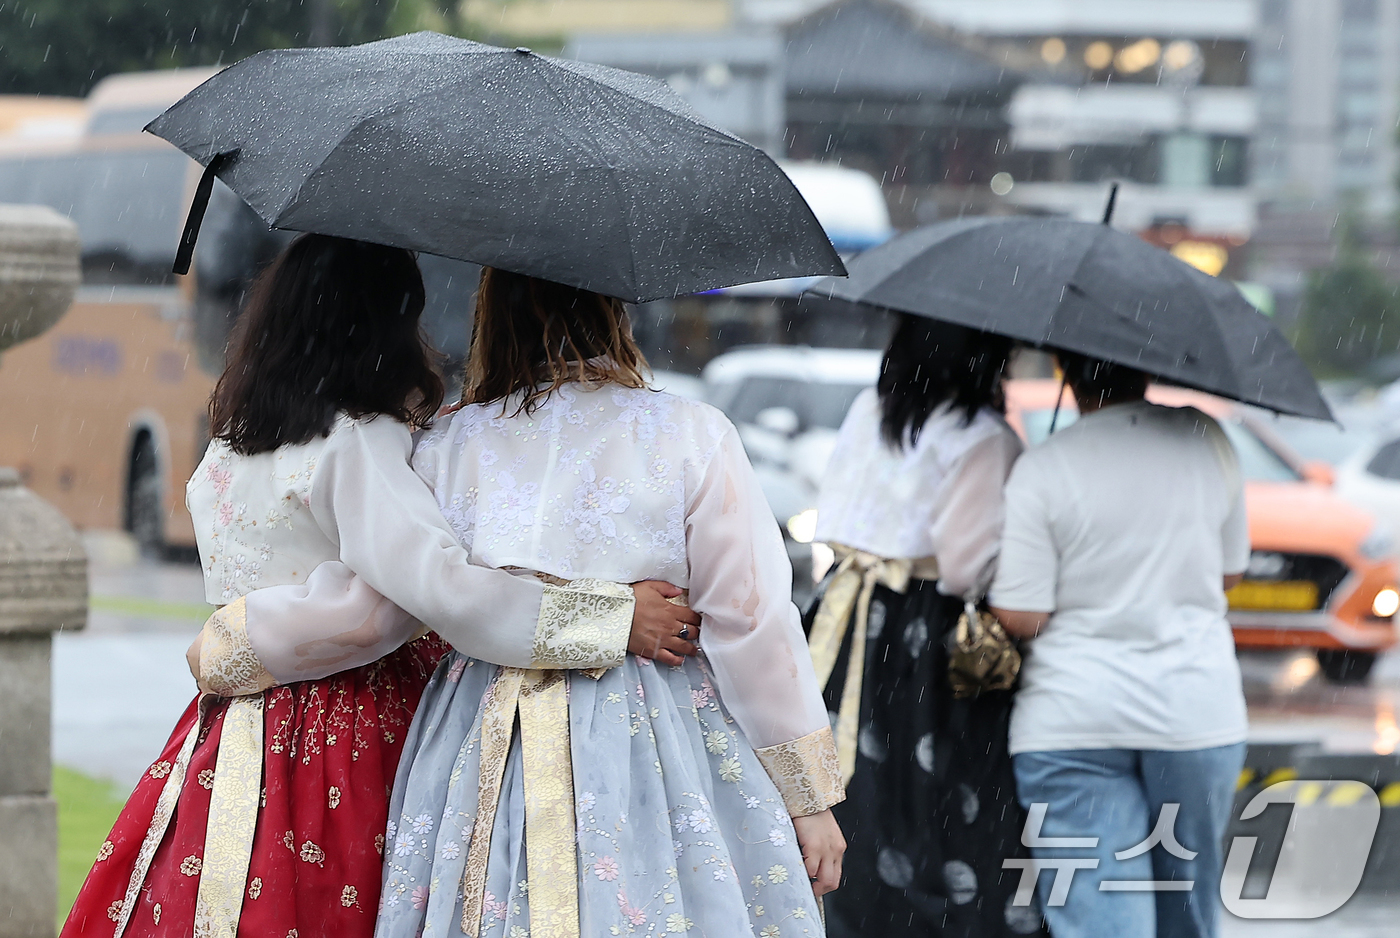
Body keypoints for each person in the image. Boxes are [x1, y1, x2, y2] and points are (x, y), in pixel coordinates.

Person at [62, 235, 698, 938]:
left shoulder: (228, 446)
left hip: (235, 726)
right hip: (350, 727)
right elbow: (428, 595)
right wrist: (609, 619)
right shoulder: (359, 442)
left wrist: (238, 638)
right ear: (380, 328)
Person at [225, 266, 847, 935]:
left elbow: (387, 605)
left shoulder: (446, 442)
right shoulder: (690, 432)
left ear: (494, 315)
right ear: (615, 312)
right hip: (658, 720)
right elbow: (751, 620)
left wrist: (239, 640)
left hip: (487, 720)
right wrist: (806, 795)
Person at [989, 352, 1249, 938]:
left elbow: (1023, 614)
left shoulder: (1045, 466)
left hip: (1073, 719)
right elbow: (1229, 574)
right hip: (1194, 715)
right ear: (1145, 367)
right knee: (1188, 912)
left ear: (1069, 374)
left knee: (1097, 916)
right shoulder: (1206, 436)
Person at [805, 314, 1046, 937]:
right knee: (946, 799)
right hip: (926, 632)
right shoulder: (984, 435)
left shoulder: (870, 409)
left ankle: (856, 919)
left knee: (857, 793)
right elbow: (967, 568)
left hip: (846, 613)